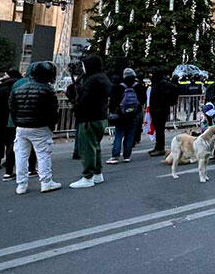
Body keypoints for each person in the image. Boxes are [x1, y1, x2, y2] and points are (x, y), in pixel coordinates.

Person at [9, 61, 62, 194]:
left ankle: (21, 184)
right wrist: (51, 125)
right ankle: (46, 182)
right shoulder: (47, 89)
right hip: (40, 126)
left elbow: (12, 108)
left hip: (21, 126)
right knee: (43, 154)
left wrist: (18, 122)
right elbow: (53, 110)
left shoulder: (19, 88)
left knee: (21, 154)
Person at [70, 55, 111, 189]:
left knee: (87, 147)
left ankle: (88, 177)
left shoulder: (92, 80)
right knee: (95, 146)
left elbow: (85, 100)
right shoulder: (102, 78)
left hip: (89, 118)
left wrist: (77, 105)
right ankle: (97, 173)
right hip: (100, 116)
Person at [0, 70, 36, 181]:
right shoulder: (28, 84)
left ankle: (8, 171)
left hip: (8, 119)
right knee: (27, 145)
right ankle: (31, 169)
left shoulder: (4, 87)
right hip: (22, 119)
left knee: (11, 144)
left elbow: (4, 104)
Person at [106, 68, 141, 164]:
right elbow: (143, 99)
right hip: (134, 114)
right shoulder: (138, 86)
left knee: (118, 134)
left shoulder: (119, 86)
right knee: (130, 135)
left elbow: (113, 101)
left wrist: (114, 111)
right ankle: (127, 156)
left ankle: (115, 156)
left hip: (121, 115)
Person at [0, 69, 22, 170]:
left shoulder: (3, 87)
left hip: (0, 117)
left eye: (5, 74)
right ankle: (9, 160)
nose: (4, 75)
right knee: (11, 140)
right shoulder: (20, 86)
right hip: (13, 117)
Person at [148, 69, 179, 157]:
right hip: (157, 109)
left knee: (160, 130)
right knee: (158, 129)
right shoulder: (159, 84)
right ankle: (158, 146)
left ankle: (160, 148)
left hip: (160, 110)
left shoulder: (163, 84)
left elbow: (174, 89)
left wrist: (169, 102)